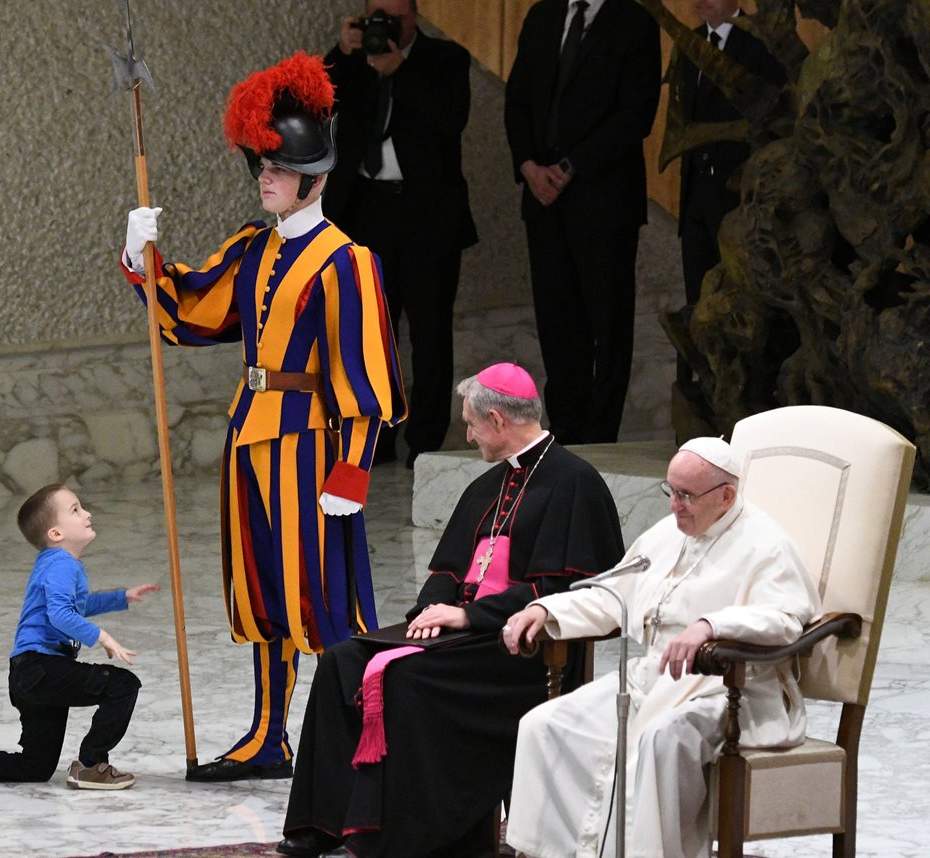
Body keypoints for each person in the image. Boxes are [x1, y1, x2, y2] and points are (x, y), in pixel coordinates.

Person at [120, 52, 406, 782]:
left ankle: (361, 736)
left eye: (276, 169)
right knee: (264, 593)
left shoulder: (348, 261)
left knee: (327, 595)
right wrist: (140, 257)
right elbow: (190, 312)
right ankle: (268, 736)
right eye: (261, 168)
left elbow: (366, 377)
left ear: (313, 177)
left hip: (311, 446)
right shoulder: (254, 246)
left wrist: (353, 470)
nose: (264, 178)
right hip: (250, 435)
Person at [279, 363, 624, 858]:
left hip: (521, 649)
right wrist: (433, 608)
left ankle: (405, 837)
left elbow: (571, 589)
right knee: (342, 661)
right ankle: (324, 824)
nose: (467, 435)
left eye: (471, 424)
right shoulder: (487, 484)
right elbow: (446, 570)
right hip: (461, 637)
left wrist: (468, 617)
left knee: (406, 680)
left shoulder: (575, 483)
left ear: (499, 420)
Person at [501, 437, 822, 858]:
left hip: (727, 691)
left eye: (686, 495)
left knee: (659, 739)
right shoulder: (667, 535)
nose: (674, 505)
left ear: (726, 496)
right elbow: (611, 596)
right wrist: (546, 610)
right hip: (653, 680)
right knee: (544, 725)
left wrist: (711, 625)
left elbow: (785, 620)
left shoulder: (767, 545)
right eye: (670, 491)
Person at [0, 484, 159, 790]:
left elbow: (75, 606)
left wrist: (121, 598)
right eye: (75, 510)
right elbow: (61, 615)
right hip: (42, 668)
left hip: (28, 675)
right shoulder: (62, 564)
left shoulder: (54, 563)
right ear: (56, 534)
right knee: (123, 685)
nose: (87, 513)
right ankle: (91, 764)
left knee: (35, 766)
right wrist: (103, 637)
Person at [323, 0, 477, 469]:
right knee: (371, 332)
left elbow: (450, 120)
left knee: (430, 332)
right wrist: (339, 52)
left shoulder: (445, 59)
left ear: (414, 16)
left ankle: (426, 443)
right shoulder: (351, 62)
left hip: (426, 213)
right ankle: (376, 440)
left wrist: (400, 69)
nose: (385, 26)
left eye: (395, 16)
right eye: (377, 16)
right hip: (365, 210)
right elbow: (313, 102)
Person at [503, 0, 661, 445]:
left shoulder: (635, 23)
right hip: (543, 199)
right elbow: (517, 100)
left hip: (603, 199)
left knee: (607, 324)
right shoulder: (543, 16)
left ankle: (600, 434)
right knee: (557, 322)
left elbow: (636, 114)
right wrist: (529, 165)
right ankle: (567, 429)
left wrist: (571, 167)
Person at [677, 0, 786, 379]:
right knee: (697, 299)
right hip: (694, 200)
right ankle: (702, 386)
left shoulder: (759, 43)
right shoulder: (688, 44)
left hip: (736, 198)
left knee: (739, 301)